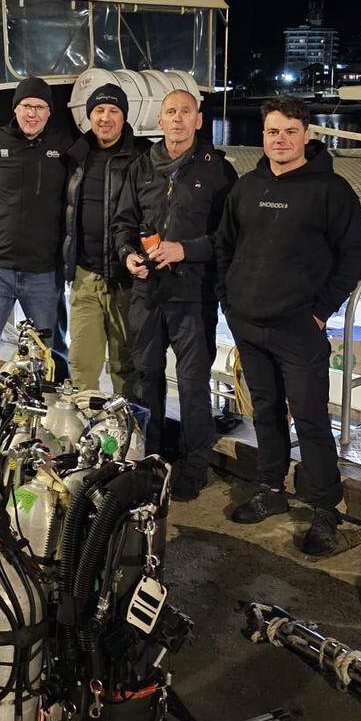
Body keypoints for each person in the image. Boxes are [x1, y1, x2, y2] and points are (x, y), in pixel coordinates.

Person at [216, 95, 361, 556]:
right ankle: (270, 489)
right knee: (263, 411)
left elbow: (354, 258)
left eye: (288, 131)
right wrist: (230, 303)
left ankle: (326, 511)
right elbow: (226, 248)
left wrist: (320, 311)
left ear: (307, 135)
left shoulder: (332, 191)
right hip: (248, 323)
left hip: (298, 327)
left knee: (310, 420)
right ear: (261, 136)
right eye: (271, 132)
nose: (279, 140)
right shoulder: (246, 187)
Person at [113, 88, 236, 500]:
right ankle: (147, 458)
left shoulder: (218, 171)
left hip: (193, 295)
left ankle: (193, 465)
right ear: (159, 120)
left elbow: (227, 238)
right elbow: (123, 224)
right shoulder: (142, 166)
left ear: (199, 120)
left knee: (192, 383)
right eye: (171, 112)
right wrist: (128, 255)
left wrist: (186, 249)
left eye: (186, 112)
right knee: (145, 377)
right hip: (147, 291)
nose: (178, 119)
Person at [0, 77, 74, 353]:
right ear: (15, 108)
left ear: (49, 112)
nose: (32, 113)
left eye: (40, 107)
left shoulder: (64, 146)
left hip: (44, 272)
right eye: (26, 106)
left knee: (49, 354)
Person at [62, 82, 143, 394]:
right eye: (99, 110)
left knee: (126, 367)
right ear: (88, 116)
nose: (105, 117)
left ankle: (130, 437)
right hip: (84, 277)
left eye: (113, 111)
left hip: (125, 281)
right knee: (82, 366)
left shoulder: (140, 159)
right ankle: (85, 437)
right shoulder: (75, 157)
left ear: (124, 117)